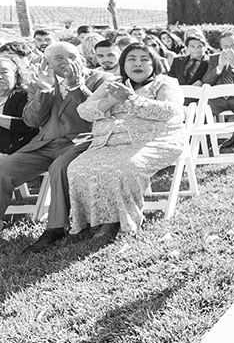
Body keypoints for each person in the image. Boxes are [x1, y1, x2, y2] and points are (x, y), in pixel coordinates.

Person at [0, 42, 111, 252]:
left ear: (81, 58)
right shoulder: (39, 83)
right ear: (47, 63)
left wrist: (77, 86)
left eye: (71, 56)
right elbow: (31, 121)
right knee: (4, 169)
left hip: (83, 141)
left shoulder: (100, 79)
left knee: (59, 167)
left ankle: (56, 228)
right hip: (44, 143)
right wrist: (45, 91)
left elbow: (96, 113)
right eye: (58, 59)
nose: (67, 62)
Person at [68, 43, 186, 241]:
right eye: (131, 59)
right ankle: (99, 221)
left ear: (153, 63)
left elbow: (168, 110)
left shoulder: (165, 83)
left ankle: (124, 222)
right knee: (77, 167)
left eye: (144, 59)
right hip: (109, 142)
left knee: (124, 168)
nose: (137, 64)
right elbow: (84, 111)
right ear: (123, 64)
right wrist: (111, 100)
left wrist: (131, 99)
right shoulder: (111, 84)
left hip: (154, 141)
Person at [0, 56, 38, 157]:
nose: (0, 77)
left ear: (16, 75)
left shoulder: (24, 95)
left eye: (4, 72)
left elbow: (27, 125)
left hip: (14, 154)